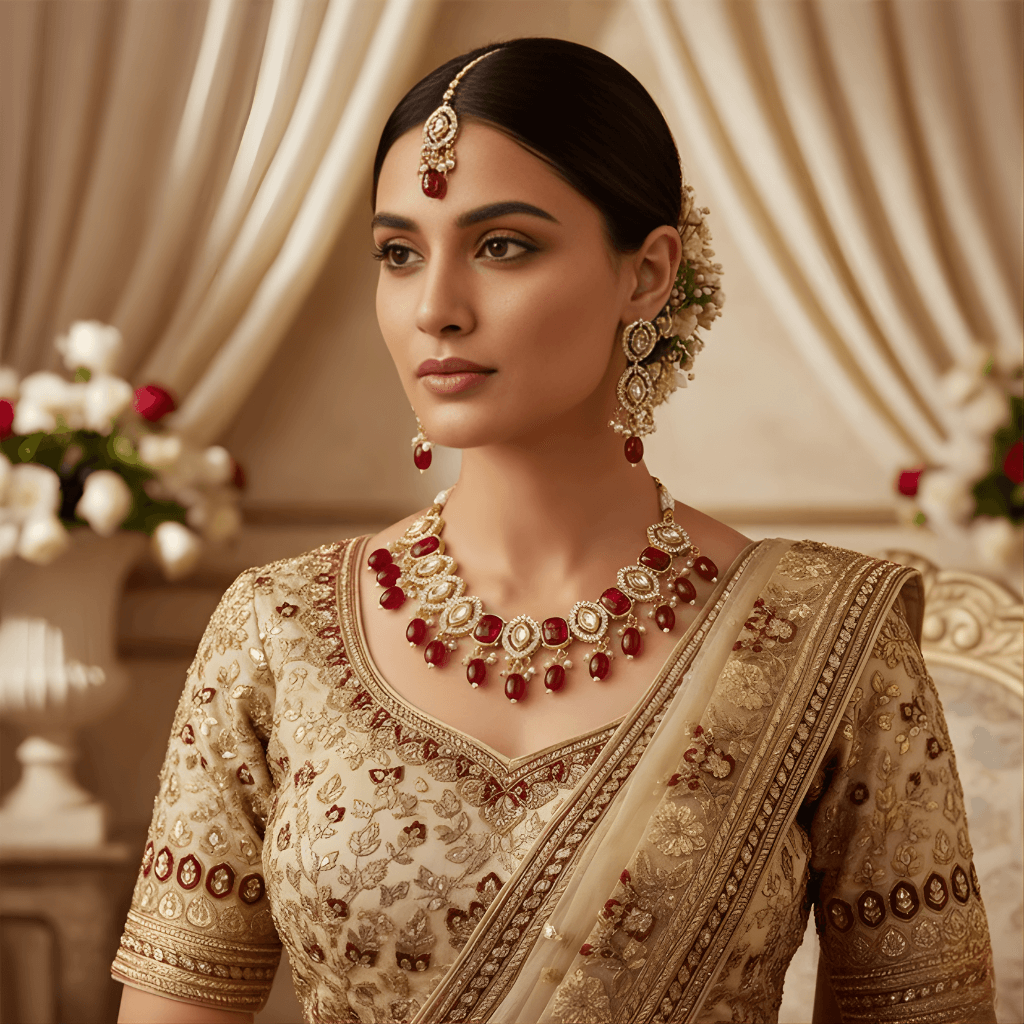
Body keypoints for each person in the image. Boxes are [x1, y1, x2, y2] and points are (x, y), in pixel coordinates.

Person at [113, 37, 996, 1024]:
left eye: (503, 246)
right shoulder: (275, 629)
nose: (435, 309)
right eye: (399, 254)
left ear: (647, 274)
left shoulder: (830, 630)